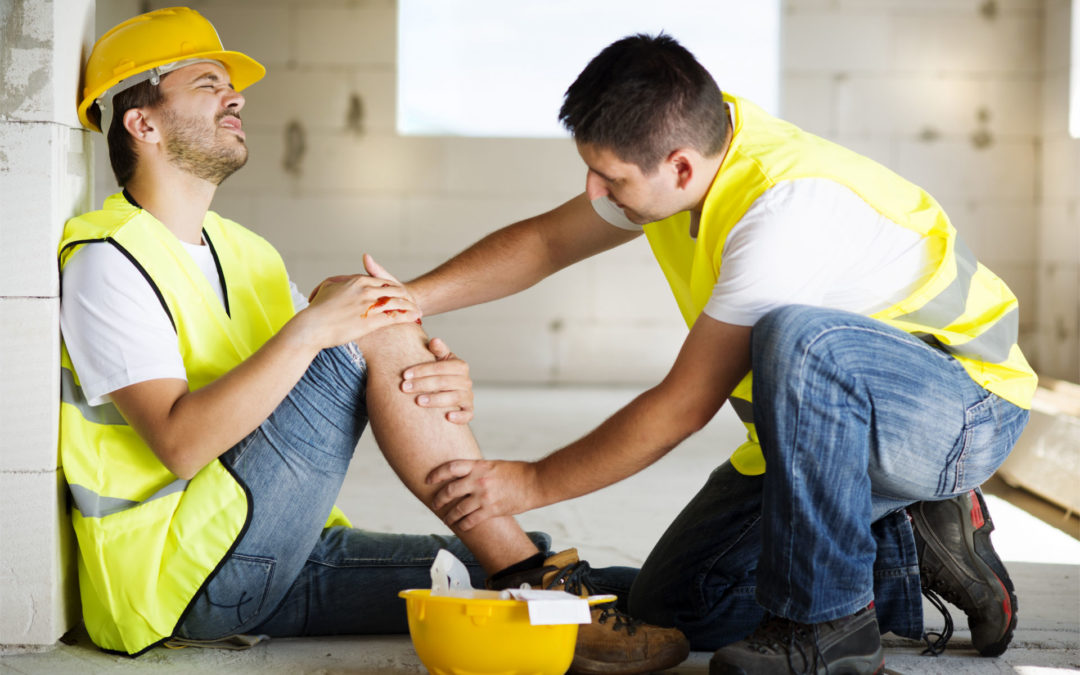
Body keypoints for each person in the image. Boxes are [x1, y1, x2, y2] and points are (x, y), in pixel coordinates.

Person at [59, 9, 689, 674]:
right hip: (179, 582)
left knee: (566, 574)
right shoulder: (108, 259)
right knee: (370, 309)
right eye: (208, 83)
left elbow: (343, 364)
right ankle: (533, 574)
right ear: (143, 122)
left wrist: (432, 374)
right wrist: (331, 329)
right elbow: (181, 445)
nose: (236, 96)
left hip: (273, 552)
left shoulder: (246, 254)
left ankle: (674, 601)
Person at [408, 34, 1036, 675]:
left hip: (962, 409)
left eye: (611, 178)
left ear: (679, 166)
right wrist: (408, 297)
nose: (595, 192)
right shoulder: (689, 156)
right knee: (678, 605)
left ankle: (829, 626)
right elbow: (545, 242)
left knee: (801, 337)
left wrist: (532, 482)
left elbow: (682, 407)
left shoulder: (781, 212)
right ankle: (905, 531)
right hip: (845, 430)